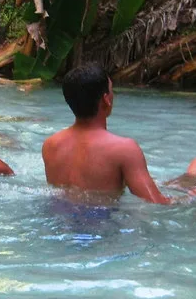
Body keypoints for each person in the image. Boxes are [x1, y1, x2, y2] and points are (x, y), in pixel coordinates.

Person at [42, 63, 171, 204]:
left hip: (59, 219)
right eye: (111, 90)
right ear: (106, 99)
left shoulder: (50, 144)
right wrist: (192, 197)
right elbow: (155, 203)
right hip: (103, 223)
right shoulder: (124, 149)